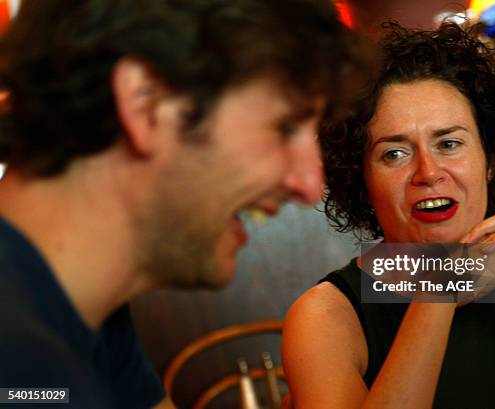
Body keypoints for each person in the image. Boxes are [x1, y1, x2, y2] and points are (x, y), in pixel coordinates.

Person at [0, 0, 369, 408]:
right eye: (283, 127)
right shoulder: (19, 358)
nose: (309, 186)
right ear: (146, 103)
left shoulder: (88, 315)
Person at [282, 21, 495, 409]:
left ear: (490, 160)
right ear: (362, 180)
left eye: (449, 143)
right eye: (395, 153)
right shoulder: (326, 316)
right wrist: (440, 286)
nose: (428, 172)